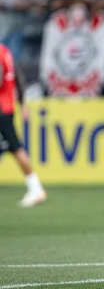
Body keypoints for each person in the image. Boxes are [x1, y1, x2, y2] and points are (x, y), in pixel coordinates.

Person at [0, 44, 47, 207]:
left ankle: (36, 188)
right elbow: (17, 77)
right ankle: (35, 187)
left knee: (15, 148)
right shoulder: (5, 51)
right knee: (15, 148)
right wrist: (21, 103)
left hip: (1, 109)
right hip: (7, 107)